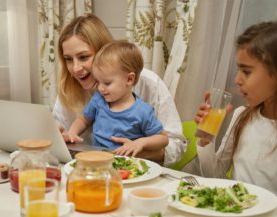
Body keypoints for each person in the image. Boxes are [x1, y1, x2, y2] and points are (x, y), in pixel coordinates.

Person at [53, 13, 185, 166]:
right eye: (68, 59)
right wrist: (59, 138)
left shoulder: (149, 84)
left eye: (84, 57)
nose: (75, 68)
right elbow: (68, 135)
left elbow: (177, 145)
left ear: (104, 51)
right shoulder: (68, 89)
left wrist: (137, 150)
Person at [194, 18, 277, 199]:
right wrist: (206, 138)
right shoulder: (242, 117)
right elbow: (216, 176)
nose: (237, 80)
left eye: (246, 72)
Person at [64, 41, 169, 156]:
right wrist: (72, 132)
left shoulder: (143, 111)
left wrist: (141, 143)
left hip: (128, 166)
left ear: (129, 79)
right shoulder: (99, 100)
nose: (100, 88)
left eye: (107, 83)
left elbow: (163, 139)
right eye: (98, 81)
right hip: (99, 161)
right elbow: (83, 120)